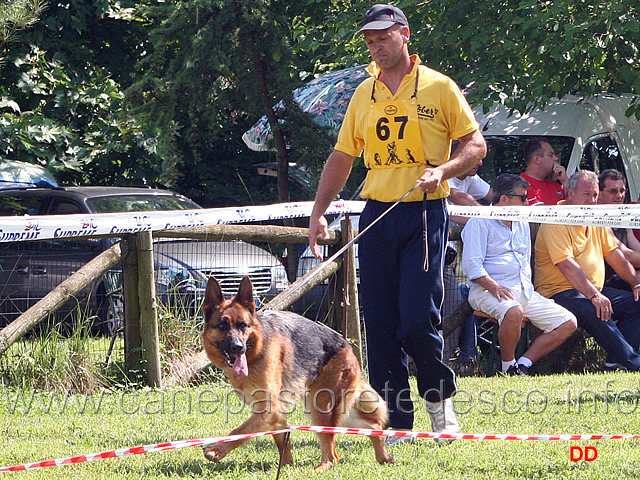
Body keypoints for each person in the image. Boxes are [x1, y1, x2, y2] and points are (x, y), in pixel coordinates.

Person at [308, 4, 486, 442]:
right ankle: (395, 422)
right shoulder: (363, 93)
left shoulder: (439, 87)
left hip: (424, 212)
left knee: (417, 320)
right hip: (377, 214)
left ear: (404, 34)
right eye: (369, 40)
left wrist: (443, 171)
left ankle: (440, 406)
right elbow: (343, 155)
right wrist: (318, 212)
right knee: (381, 326)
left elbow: (475, 144)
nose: (376, 45)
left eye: (382, 36)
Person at [461, 174, 577, 375]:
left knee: (568, 323)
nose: (527, 203)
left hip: (524, 291)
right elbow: (472, 267)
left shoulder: (522, 222)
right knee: (513, 311)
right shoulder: (478, 222)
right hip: (487, 291)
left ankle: (523, 364)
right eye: (523, 198)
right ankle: (507, 367)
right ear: (504, 199)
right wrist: (495, 287)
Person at [535, 170, 640, 371]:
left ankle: (615, 363)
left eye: (594, 195)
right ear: (570, 193)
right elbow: (566, 265)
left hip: (591, 290)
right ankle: (634, 363)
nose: (592, 201)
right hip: (558, 291)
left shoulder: (594, 218)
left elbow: (615, 255)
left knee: (637, 303)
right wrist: (594, 295)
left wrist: (635, 283)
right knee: (597, 309)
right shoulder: (555, 220)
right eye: (587, 195)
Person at [597, 169, 640, 285]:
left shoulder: (623, 215)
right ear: (599, 193)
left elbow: (635, 246)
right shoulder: (597, 218)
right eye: (613, 191)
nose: (619, 195)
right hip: (605, 280)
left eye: (622, 190)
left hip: (625, 274)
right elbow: (626, 255)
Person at [520, 138, 567, 206]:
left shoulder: (555, 186)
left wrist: (565, 181)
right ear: (537, 159)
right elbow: (541, 213)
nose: (556, 158)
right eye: (551, 155)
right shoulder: (521, 185)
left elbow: (576, 206)